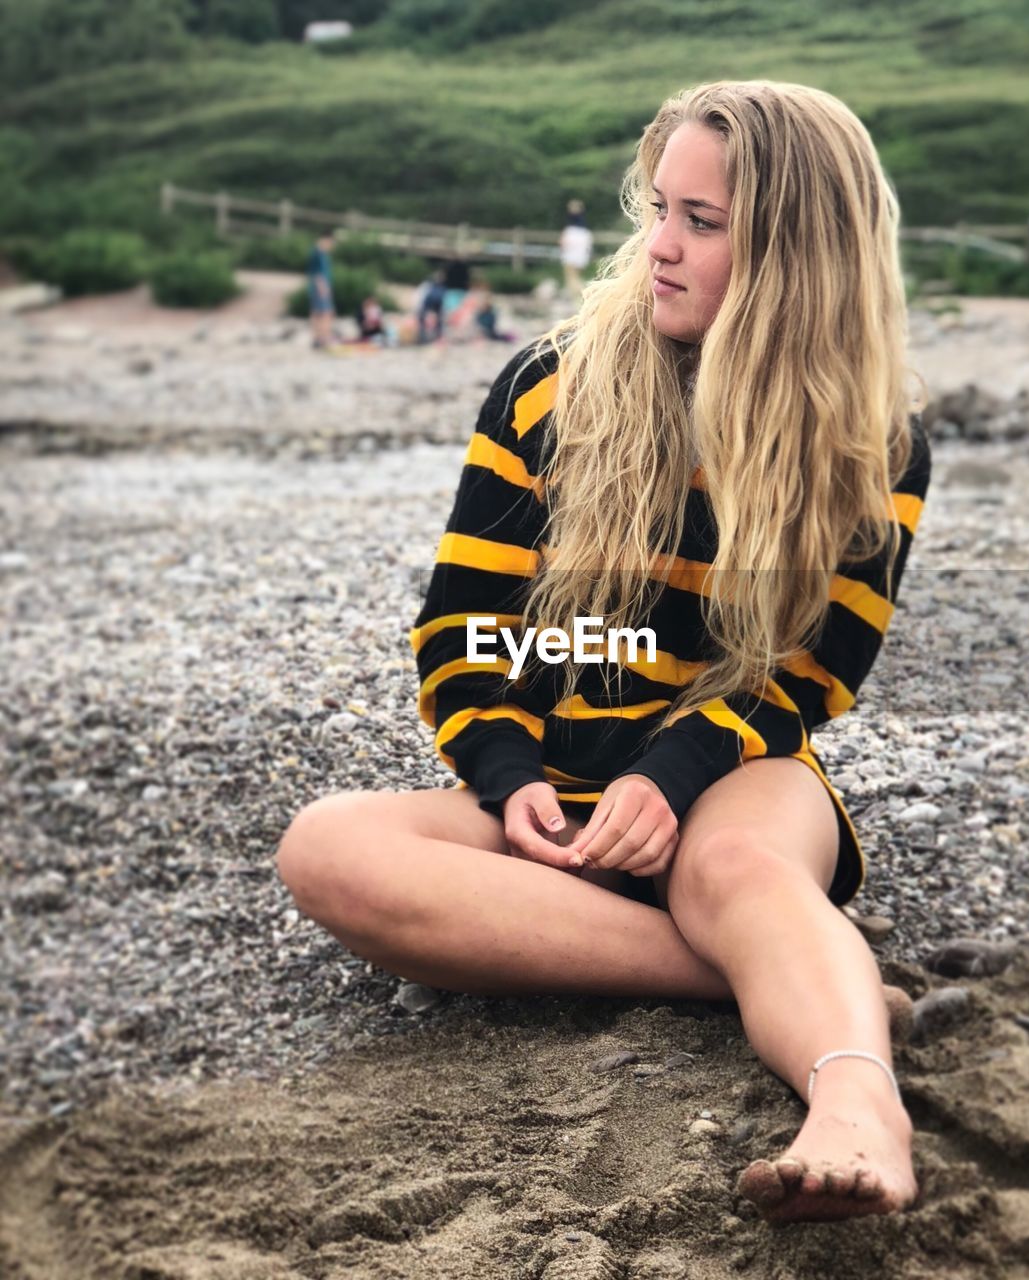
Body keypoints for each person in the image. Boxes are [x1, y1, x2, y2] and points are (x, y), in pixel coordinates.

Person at [277, 81, 932, 1225]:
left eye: (703, 222)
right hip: (557, 790)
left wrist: (674, 774)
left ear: (799, 250)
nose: (661, 248)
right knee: (327, 846)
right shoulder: (552, 385)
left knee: (736, 874)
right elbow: (464, 626)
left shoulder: (868, 443)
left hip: (736, 780)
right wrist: (508, 776)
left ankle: (858, 1103)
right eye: (658, 209)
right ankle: (775, 968)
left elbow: (812, 675)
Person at [306, 231, 336, 349]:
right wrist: (324, 289)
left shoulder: (319, 253)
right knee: (326, 313)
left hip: (318, 287)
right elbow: (317, 273)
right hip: (320, 287)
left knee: (318, 313)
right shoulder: (318, 253)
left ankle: (318, 339)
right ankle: (323, 338)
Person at [559, 198, 593, 299]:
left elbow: (563, 244)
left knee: (571, 278)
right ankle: (578, 297)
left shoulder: (569, 230)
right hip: (581, 255)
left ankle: (584, 294)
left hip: (571, 255)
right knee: (576, 277)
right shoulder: (585, 232)